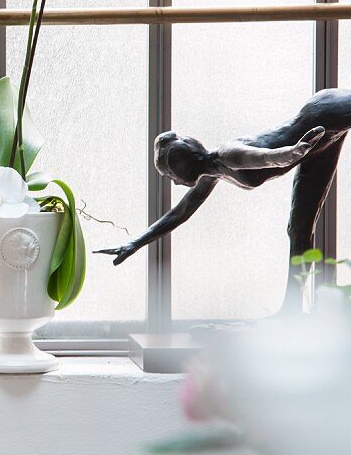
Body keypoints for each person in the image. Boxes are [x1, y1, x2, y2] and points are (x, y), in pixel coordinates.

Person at [96, 88, 351, 309]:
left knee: (298, 230)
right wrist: (135, 243)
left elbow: (262, 157)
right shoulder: (212, 173)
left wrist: (291, 153)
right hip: (316, 147)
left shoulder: (227, 154)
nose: (172, 181)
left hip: (323, 115)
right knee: (298, 230)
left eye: (170, 174)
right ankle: (292, 309)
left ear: (185, 164)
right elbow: (180, 212)